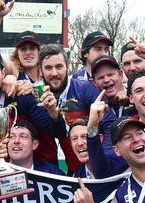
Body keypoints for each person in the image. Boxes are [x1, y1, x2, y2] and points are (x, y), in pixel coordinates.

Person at [0, 48, 67, 149]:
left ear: (3, 73)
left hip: (27, 165)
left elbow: (59, 132)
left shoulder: (23, 95)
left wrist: (53, 112)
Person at [38, 44, 115, 172]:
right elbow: (59, 134)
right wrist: (53, 114)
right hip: (75, 171)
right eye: (48, 68)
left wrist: (106, 160)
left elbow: (109, 125)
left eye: (59, 66)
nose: (54, 73)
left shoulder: (85, 89)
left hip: (99, 168)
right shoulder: (40, 98)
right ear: (40, 71)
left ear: (67, 66)